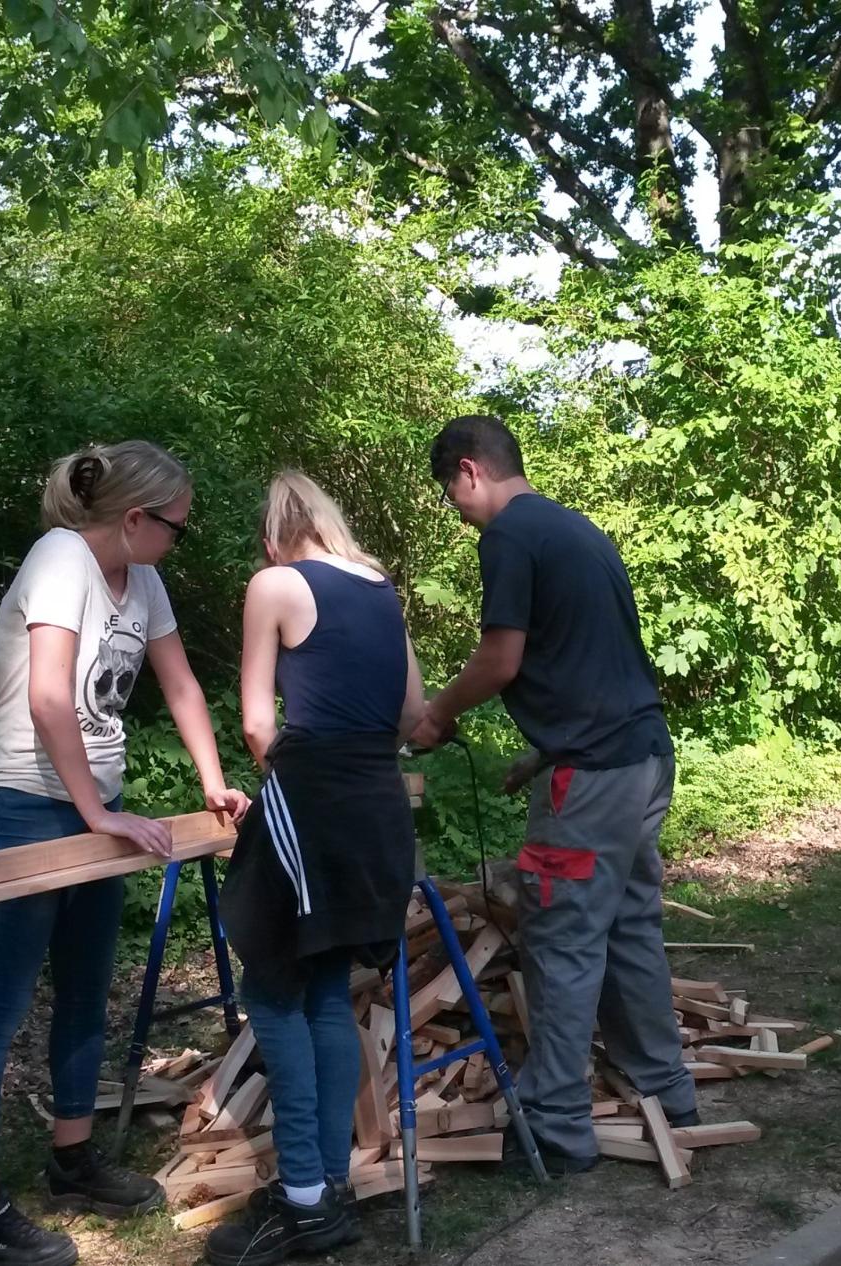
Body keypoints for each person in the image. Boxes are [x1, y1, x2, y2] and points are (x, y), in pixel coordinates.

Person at [0, 442, 250, 1266]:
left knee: (86, 989)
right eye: (177, 529)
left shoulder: (142, 580)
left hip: (93, 806)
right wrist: (95, 815)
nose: (178, 543)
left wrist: (214, 782)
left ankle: (71, 1159)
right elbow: (48, 697)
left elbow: (180, 683)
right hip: (19, 803)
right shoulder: (60, 559)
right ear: (136, 518)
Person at [408, 414, 695, 1173]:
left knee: (562, 939)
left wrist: (436, 712)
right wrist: (540, 756)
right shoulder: (577, 530)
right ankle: (665, 1084)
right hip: (641, 759)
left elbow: (502, 660)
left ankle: (557, 1125)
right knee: (629, 924)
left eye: (450, 493)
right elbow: (595, 663)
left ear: (470, 472)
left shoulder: (507, 537)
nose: (457, 509)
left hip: (593, 777)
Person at [204, 471, 423, 1265]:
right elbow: (411, 715)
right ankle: (325, 1185)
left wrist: (279, 789)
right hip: (379, 803)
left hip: (313, 799)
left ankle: (300, 1199)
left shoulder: (274, 584)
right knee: (328, 990)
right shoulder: (381, 590)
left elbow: (260, 724)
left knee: (270, 983)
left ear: (273, 535)